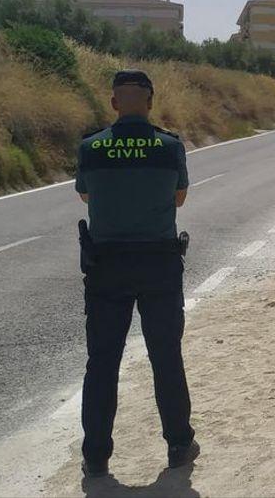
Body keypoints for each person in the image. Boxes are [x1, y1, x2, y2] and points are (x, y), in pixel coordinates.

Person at [75, 70, 199, 478]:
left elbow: (86, 195)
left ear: (113, 103)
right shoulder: (169, 147)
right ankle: (179, 444)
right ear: (150, 102)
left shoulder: (90, 148)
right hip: (158, 265)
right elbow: (178, 198)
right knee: (166, 357)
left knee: (102, 362)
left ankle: (96, 455)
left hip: (106, 266)